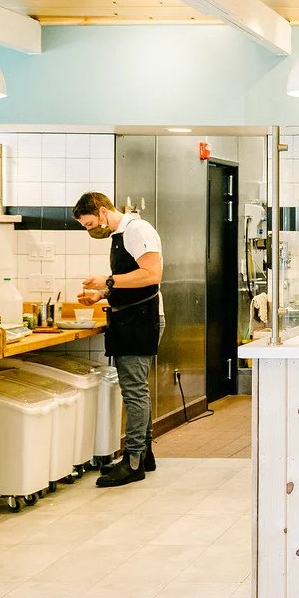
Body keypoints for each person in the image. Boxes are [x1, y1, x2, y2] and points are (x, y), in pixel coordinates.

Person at [73, 192, 164, 487]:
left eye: (89, 224)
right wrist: (101, 294)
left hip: (141, 319)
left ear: (102, 212)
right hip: (129, 316)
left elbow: (152, 275)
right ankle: (144, 454)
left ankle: (133, 460)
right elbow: (131, 279)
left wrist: (108, 281)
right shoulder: (119, 234)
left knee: (134, 390)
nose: (90, 231)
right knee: (136, 389)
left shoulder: (137, 230)